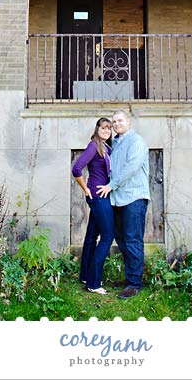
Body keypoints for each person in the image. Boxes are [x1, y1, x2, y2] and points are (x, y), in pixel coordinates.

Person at [96, 110, 149, 299]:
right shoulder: (116, 143)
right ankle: (130, 277)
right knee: (121, 238)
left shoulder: (136, 142)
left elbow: (131, 168)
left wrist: (111, 186)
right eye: (114, 122)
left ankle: (135, 283)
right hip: (118, 198)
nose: (116, 124)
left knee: (133, 239)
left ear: (128, 122)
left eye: (120, 121)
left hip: (134, 198)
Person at [71, 117, 114, 294]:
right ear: (97, 129)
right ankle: (94, 283)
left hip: (101, 195)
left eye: (109, 128)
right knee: (107, 236)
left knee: (91, 236)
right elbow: (76, 169)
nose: (106, 131)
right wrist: (86, 190)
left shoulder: (106, 146)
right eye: (103, 128)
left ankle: (85, 275)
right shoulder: (93, 146)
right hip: (98, 196)